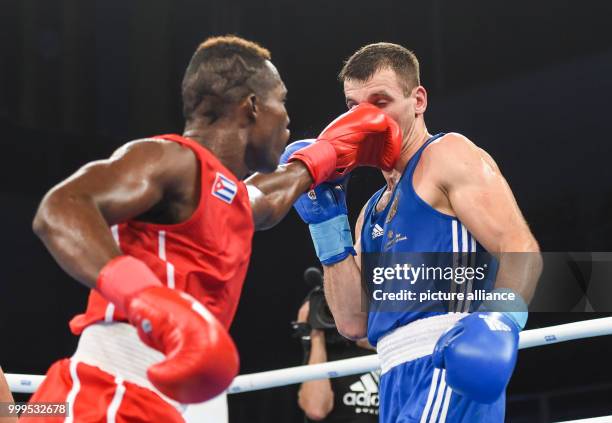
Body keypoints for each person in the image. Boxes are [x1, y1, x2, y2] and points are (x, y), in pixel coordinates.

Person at [27, 36, 402, 422]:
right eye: (281, 101)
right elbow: (60, 209)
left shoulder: (230, 195)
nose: (288, 119)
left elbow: (266, 199)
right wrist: (148, 300)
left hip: (175, 402)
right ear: (252, 107)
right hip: (112, 386)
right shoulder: (168, 159)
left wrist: (327, 154)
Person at [286, 43, 542, 422]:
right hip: (392, 376)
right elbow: (356, 324)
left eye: (380, 101)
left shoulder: (446, 155)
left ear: (418, 100)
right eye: (353, 107)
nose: (364, 119)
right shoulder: (368, 213)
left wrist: (498, 320)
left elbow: (519, 247)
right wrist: (328, 231)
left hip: (446, 364)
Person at [295, 298, 379, 423]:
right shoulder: (324, 356)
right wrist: (316, 333)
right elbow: (316, 410)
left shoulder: (391, 353)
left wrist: (376, 342)